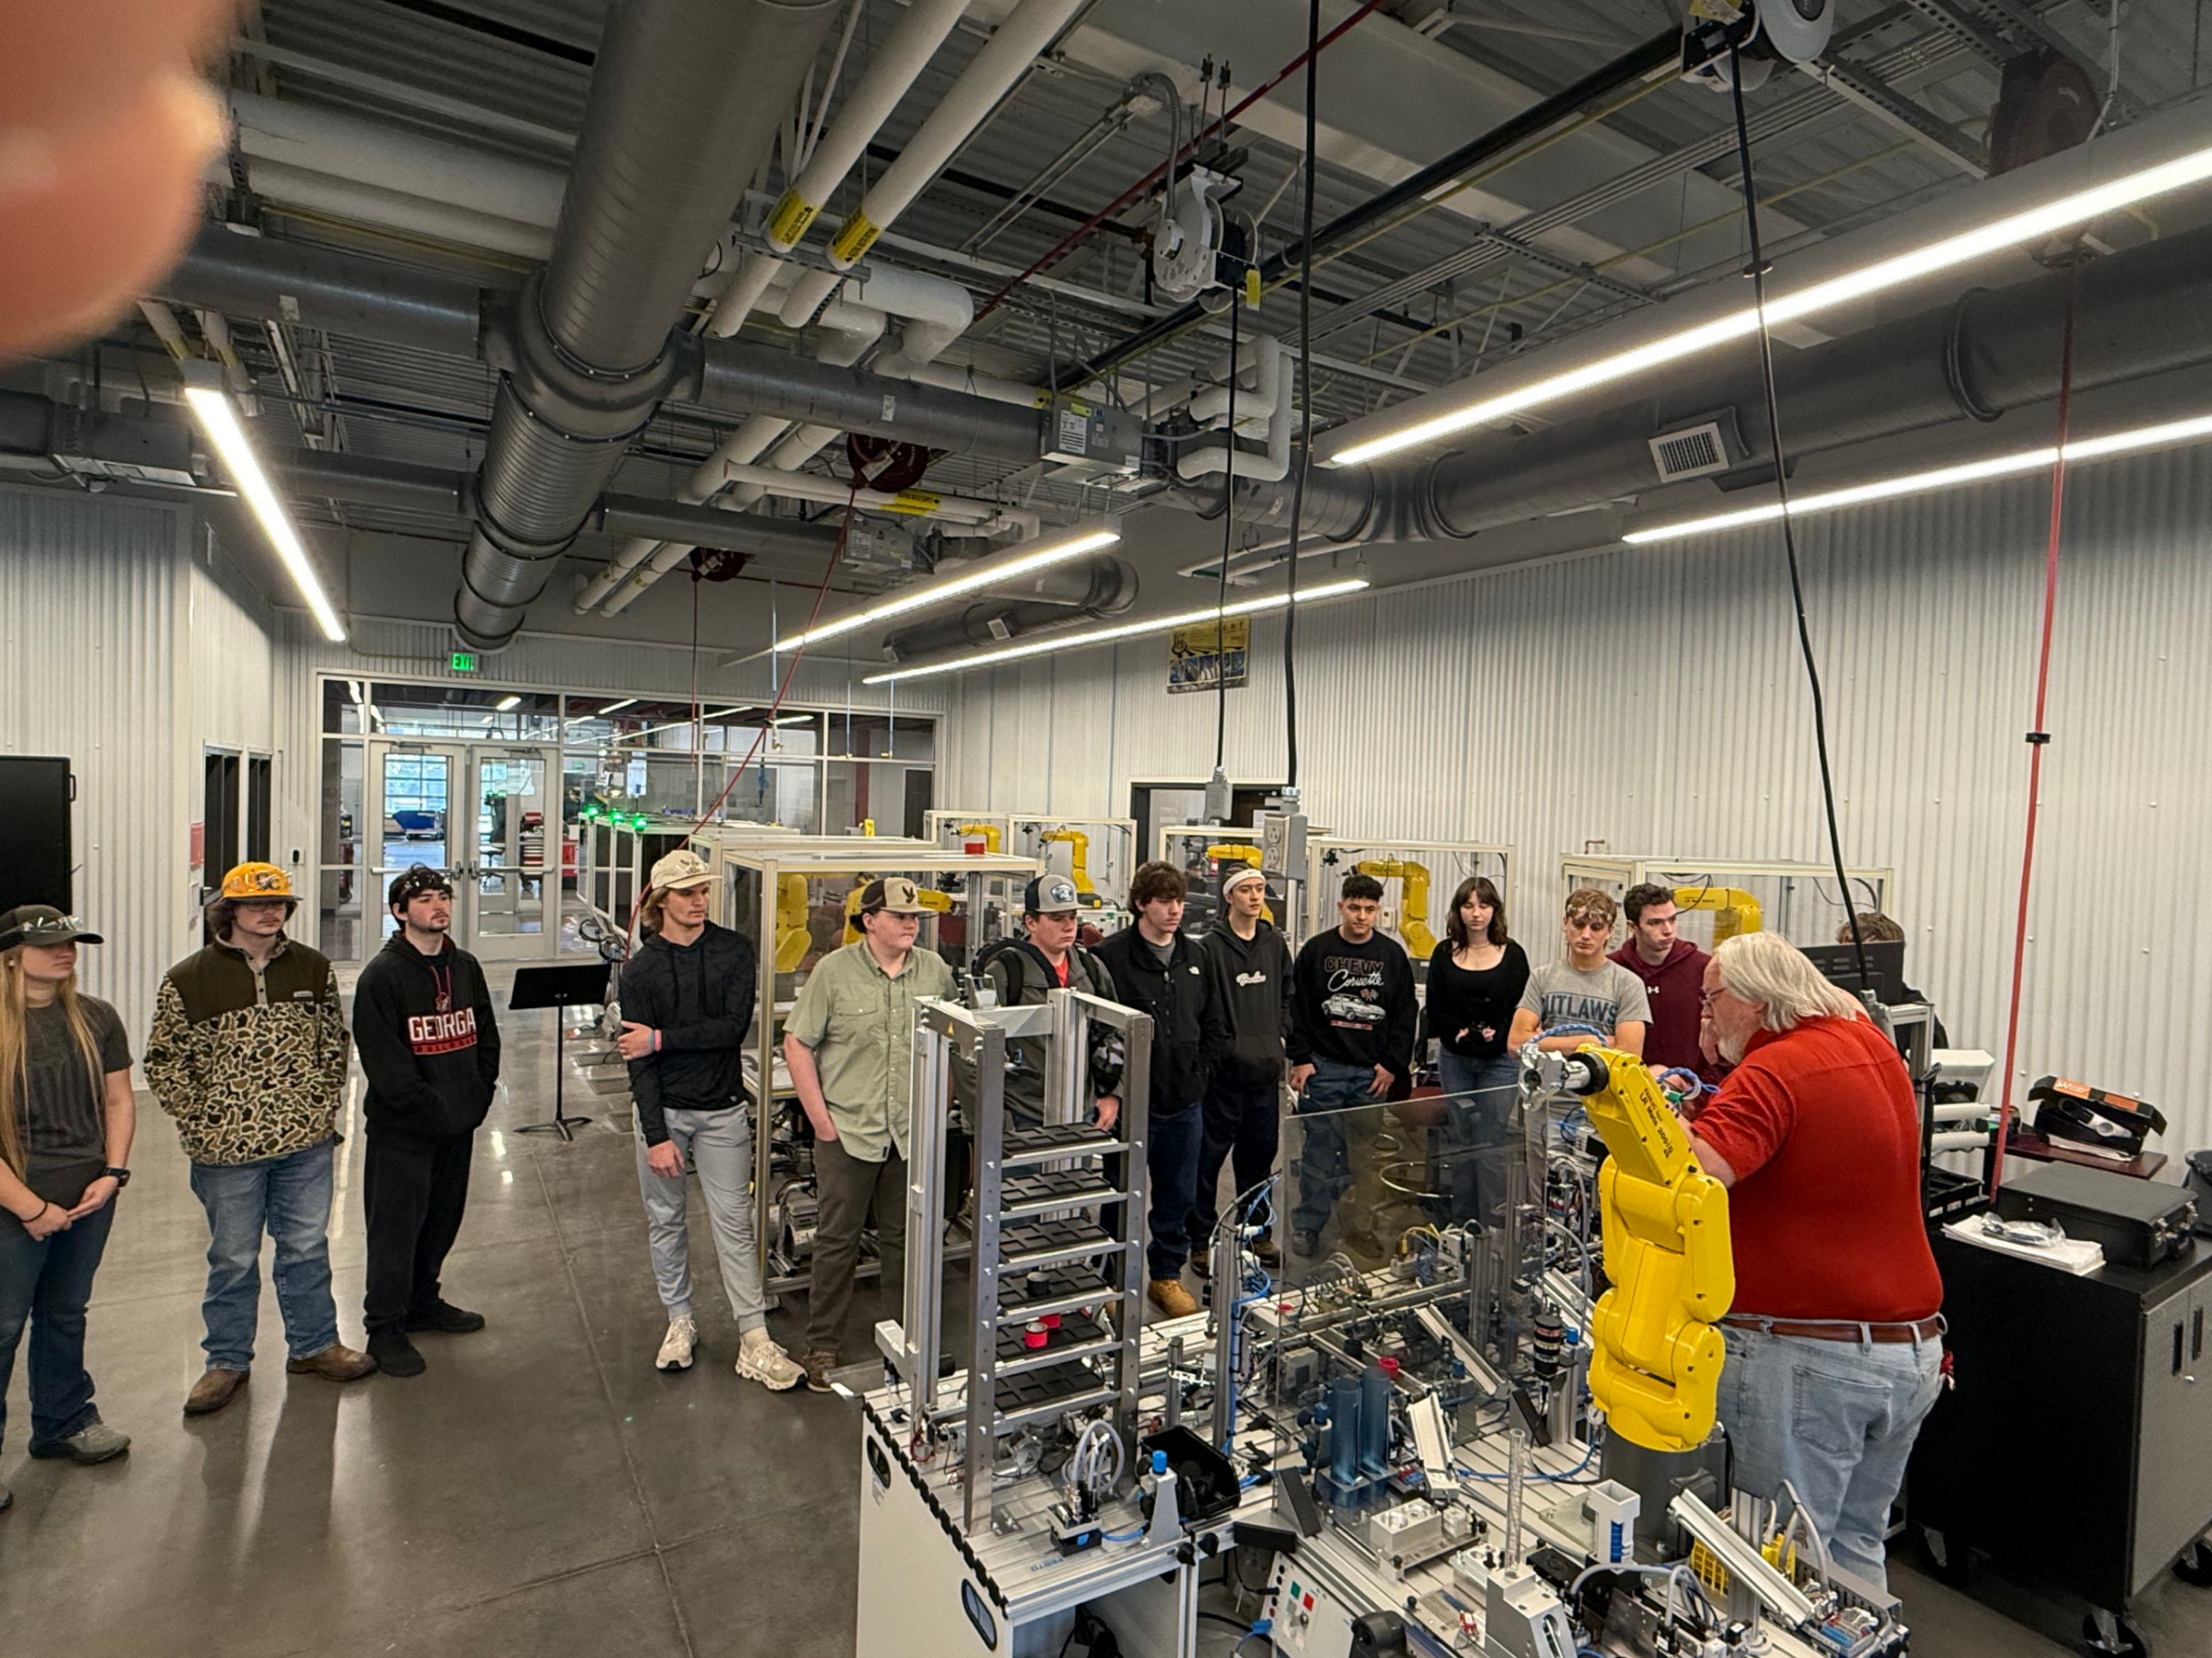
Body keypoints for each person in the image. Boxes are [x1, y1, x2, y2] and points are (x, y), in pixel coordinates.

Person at [1688, 932, 1945, 1591]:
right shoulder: (1868, 1045)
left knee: (1769, 1567)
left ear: (1753, 998)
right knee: (1854, 1554)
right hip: (1908, 1354)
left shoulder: (1774, 1069)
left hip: (1808, 1360)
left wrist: (1635, 1108)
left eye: (1713, 1000)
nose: (1708, 1014)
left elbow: (1699, 1172)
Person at [145, 863, 375, 1416]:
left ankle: (315, 1344)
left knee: (305, 1247)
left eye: (278, 904)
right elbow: (163, 1062)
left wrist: (320, 1107)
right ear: (229, 911)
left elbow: (332, 1043)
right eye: (256, 905)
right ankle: (226, 1360)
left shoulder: (313, 968)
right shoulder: (188, 979)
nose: (270, 913)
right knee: (232, 1257)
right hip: (226, 1154)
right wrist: (203, 1119)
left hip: (305, 1145)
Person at [615, 850, 802, 1389]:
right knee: (665, 1219)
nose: (699, 901)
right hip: (665, 1113)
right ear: (660, 901)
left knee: (735, 1223)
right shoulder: (642, 970)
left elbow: (730, 1028)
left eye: (703, 891)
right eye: (686, 893)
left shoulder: (734, 951)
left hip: (722, 1109)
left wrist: (661, 1038)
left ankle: (755, 1338)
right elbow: (640, 1062)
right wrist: (655, 1135)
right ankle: (680, 1320)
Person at [783, 877, 955, 1393]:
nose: (911, 924)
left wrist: (938, 1109)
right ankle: (823, 1345)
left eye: (915, 917)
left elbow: (955, 1039)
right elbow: (797, 1043)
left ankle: (910, 1339)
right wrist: (821, 1122)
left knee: (906, 1238)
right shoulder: (834, 973)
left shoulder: (934, 971)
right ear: (870, 920)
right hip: (849, 1132)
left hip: (908, 1134)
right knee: (838, 1240)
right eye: (900, 916)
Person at [0, 906, 136, 1508]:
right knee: (3, 1326)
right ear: (11, 955)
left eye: (73, 942)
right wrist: (29, 1207)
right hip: (13, 1202)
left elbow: (118, 1099)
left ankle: (63, 1422)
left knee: (65, 1311)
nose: (67, 951)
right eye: (52, 943)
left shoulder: (96, 1018)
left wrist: (112, 1173)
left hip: (88, 1198)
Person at [350, 866, 500, 1379]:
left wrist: (476, 1099)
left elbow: (486, 1034)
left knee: (441, 1220)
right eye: (424, 899)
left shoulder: (466, 967)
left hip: (458, 1125)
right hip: (404, 1133)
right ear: (399, 911)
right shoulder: (382, 977)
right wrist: (433, 1112)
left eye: (443, 897)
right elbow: (387, 1064)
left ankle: (423, 1300)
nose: (438, 906)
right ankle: (385, 1326)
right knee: (395, 1229)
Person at [1095, 861, 1229, 1318]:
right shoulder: (1111, 958)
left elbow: (1215, 1020)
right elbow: (1098, 1033)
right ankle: (1112, 1285)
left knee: (1177, 1194)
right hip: (1132, 1104)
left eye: (1179, 902)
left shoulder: (1197, 957)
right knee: (1119, 1195)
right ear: (1140, 905)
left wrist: (1199, 1072)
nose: (1175, 911)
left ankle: (1165, 1277)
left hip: (1185, 1101)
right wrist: (1110, 1088)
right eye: (1164, 902)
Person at [1285, 873, 1418, 1259]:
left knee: (1366, 1158)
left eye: (1370, 910)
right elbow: (1298, 1008)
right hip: (1323, 1070)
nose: (1362, 916)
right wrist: (1302, 1057)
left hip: (1370, 1076)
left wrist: (1392, 1064)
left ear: (1379, 911)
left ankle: (1360, 1227)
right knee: (1318, 1154)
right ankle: (1309, 1226)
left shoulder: (1392, 956)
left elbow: (1405, 1014)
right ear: (1341, 906)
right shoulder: (1316, 951)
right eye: (1355, 908)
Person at [966, 874, 1122, 1132]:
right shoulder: (1005, 973)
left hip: (1081, 1111)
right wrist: (994, 1120)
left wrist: (1113, 1094)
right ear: (1031, 922)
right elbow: (969, 1051)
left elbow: (1116, 1033)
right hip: (1023, 1114)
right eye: (1057, 919)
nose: (1069, 926)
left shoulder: (1090, 969)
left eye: (1072, 917)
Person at [1193, 866, 1290, 1275]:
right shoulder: (1210, 948)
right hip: (1223, 1079)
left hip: (1265, 1076)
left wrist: (1281, 1037)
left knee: (1259, 1159)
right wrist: (1223, 1051)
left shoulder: (1273, 944)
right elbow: (1203, 1007)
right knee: (1208, 1161)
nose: (1255, 897)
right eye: (1246, 890)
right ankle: (1199, 1241)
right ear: (1229, 897)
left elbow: (1289, 994)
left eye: (1260, 890)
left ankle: (1257, 1232)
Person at [1424, 876, 1530, 1228]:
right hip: (1456, 1059)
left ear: (1494, 910)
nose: (1476, 914)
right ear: (1458, 910)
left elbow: (1521, 1008)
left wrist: (1498, 1036)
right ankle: (1461, 1222)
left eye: (1483, 906)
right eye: (1468, 906)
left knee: (1491, 1143)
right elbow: (1435, 1006)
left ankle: (1492, 1225)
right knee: (1461, 1139)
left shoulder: (1513, 955)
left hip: (1499, 1063)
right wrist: (1458, 1035)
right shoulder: (1443, 953)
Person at [1508, 888, 1649, 1058]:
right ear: (1565, 923)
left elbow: (1629, 1056)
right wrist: (1591, 1042)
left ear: (1610, 932)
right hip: (1548, 1082)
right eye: (1579, 925)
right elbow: (1516, 1044)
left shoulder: (1628, 985)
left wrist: (1544, 1041)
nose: (1585, 935)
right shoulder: (1542, 978)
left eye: (1596, 928)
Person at [1608, 884, 1713, 1081]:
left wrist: (1698, 1094)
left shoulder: (1705, 969)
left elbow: (1723, 1041)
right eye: (1655, 923)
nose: (1668, 930)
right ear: (1632, 927)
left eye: (1672, 920)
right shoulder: (1612, 970)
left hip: (1690, 1093)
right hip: (1623, 1090)